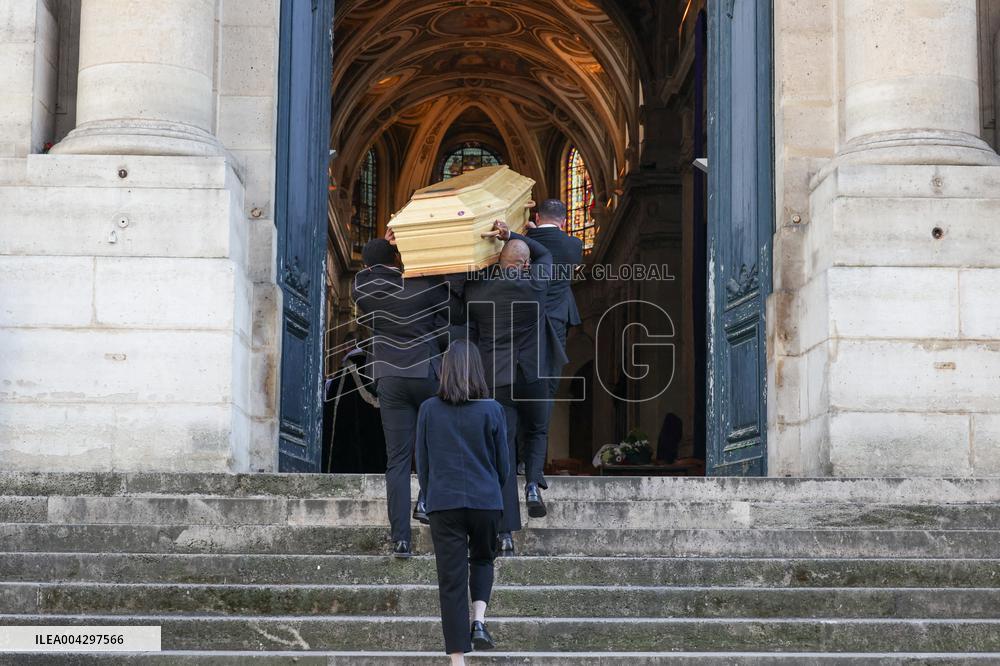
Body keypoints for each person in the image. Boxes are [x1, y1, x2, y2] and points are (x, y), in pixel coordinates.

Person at [352, 232, 462, 558]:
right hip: (425, 372)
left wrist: (386, 249)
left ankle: (401, 539)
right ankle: (425, 501)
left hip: (389, 376)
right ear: (396, 259)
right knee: (434, 446)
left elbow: (362, 277)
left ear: (369, 266)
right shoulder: (423, 284)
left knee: (397, 460)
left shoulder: (365, 290)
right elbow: (457, 312)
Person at [465, 220, 567, 555]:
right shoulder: (535, 284)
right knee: (537, 430)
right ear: (524, 265)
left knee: (504, 454)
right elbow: (545, 252)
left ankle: (506, 533)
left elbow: (460, 283)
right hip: (533, 374)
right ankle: (534, 485)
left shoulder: (478, 292)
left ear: (499, 263)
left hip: (498, 379)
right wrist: (511, 234)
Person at [415, 339, 509, 665]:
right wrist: (491, 490)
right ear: (478, 371)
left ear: (444, 370)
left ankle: (458, 661)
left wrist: (431, 493)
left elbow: (422, 462)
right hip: (486, 499)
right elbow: (504, 466)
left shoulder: (428, 409)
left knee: (451, 581)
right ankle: (479, 621)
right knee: (482, 559)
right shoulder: (493, 410)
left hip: (444, 501)